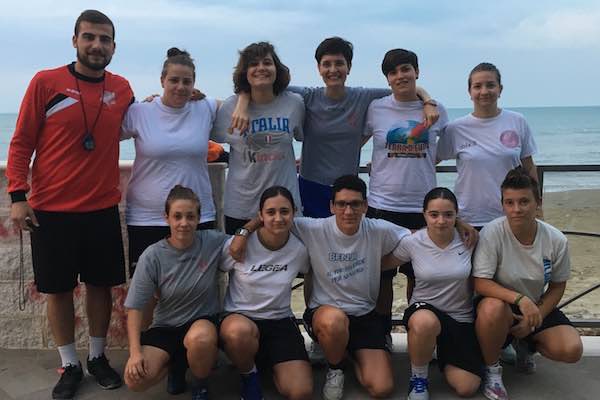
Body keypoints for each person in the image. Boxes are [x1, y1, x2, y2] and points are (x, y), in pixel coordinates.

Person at [6, 10, 133, 399]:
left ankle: (96, 357)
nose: (97, 45)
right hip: (51, 211)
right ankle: (70, 364)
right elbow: (21, 142)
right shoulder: (46, 82)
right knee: (58, 291)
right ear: (75, 40)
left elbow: (150, 120)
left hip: (101, 209)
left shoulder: (122, 88)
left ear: (114, 46)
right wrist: (17, 197)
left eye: (105, 39)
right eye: (90, 37)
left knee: (100, 287)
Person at [230, 175, 411, 400]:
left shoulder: (378, 230)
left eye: (355, 204)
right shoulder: (313, 228)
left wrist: (382, 263)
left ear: (365, 205)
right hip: (326, 314)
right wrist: (244, 232)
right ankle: (335, 368)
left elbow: (414, 240)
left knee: (382, 388)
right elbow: (273, 215)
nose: (348, 211)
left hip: (364, 315)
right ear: (331, 206)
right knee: (333, 322)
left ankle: (347, 353)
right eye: (342, 204)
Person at [231, 36, 439, 218]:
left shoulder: (363, 97)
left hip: (347, 188)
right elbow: (262, 84)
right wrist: (241, 104)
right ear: (319, 68)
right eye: (326, 64)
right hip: (310, 185)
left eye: (339, 63)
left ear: (348, 67)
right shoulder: (306, 96)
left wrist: (428, 101)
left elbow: (403, 86)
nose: (333, 70)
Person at [363, 48, 450, 344]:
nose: (401, 75)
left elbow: (441, 154)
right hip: (382, 205)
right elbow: (355, 140)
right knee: (381, 277)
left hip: (422, 207)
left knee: (420, 277)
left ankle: (418, 330)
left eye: (406, 69)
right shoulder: (376, 108)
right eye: (394, 71)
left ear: (417, 72)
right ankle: (382, 332)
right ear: (387, 78)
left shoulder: (436, 112)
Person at [473, 168, 582, 400]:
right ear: (502, 204)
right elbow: (480, 283)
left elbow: (557, 285)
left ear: (538, 203)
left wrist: (537, 316)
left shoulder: (556, 239)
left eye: (524, 201)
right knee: (492, 308)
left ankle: (526, 345)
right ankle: (492, 370)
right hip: (500, 304)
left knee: (571, 350)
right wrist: (520, 301)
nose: (516, 209)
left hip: (536, 303)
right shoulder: (492, 233)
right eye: (509, 202)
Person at [123, 185, 230, 400]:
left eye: (190, 216)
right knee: (134, 380)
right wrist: (135, 353)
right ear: (167, 218)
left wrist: (255, 225)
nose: (184, 223)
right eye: (177, 216)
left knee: (200, 339)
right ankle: (177, 364)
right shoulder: (152, 256)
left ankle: (201, 382)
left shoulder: (212, 241)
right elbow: (134, 308)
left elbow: (243, 241)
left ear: (199, 218)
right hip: (166, 326)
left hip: (201, 322)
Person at [121, 47, 219, 277]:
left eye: (187, 81)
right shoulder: (139, 112)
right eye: (174, 80)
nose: (180, 87)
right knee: (146, 292)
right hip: (147, 218)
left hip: (197, 216)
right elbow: (103, 136)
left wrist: (243, 103)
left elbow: (241, 104)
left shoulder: (205, 108)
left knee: (196, 289)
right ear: (162, 80)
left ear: (195, 84)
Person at [382, 187, 483, 399]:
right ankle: (418, 378)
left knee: (467, 387)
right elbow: (380, 264)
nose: (440, 221)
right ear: (424, 214)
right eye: (434, 214)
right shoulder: (413, 242)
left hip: (460, 316)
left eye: (448, 215)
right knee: (425, 323)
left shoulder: (469, 240)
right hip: (424, 311)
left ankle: (441, 351)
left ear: (457, 215)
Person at [219, 186, 312, 400]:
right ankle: (248, 375)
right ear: (260, 215)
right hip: (241, 319)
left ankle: (270, 363)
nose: (278, 218)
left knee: (301, 392)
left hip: (280, 321)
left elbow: (311, 275)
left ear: (294, 213)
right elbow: (215, 270)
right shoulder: (239, 246)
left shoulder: (299, 250)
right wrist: (244, 231)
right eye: (270, 212)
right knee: (237, 333)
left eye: (284, 211)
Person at [211, 41, 305, 234]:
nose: (261, 68)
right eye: (253, 64)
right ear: (245, 72)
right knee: (239, 262)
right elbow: (202, 131)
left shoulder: (294, 104)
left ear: (276, 69)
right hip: (242, 207)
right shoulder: (230, 108)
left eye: (267, 63)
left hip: (284, 207)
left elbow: (306, 137)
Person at [437, 62, 540, 228]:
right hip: (469, 219)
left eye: (490, 85)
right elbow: (429, 161)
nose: (484, 91)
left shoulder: (517, 121)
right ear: (469, 92)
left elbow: (529, 168)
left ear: (500, 89)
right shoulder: (456, 128)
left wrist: (537, 206)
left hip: (511, 215)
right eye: (477, 86)